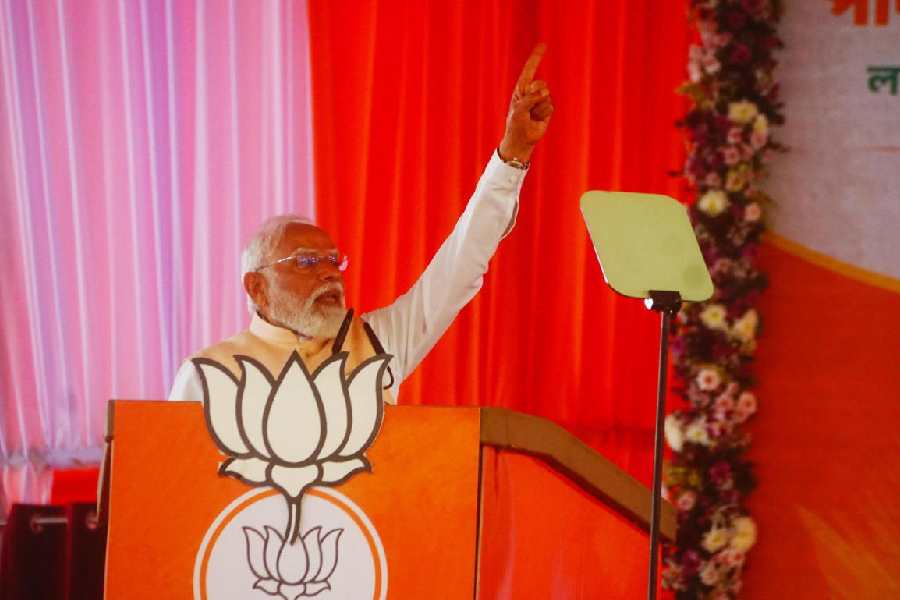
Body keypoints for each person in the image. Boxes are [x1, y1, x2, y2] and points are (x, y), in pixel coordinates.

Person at [168, 44, 554, 403]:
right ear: (257, 287)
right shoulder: (208, 375)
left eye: (334, 262)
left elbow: (460, 265)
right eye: (306, 262)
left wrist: (513, 154)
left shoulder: (376, 343)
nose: (330, 275)